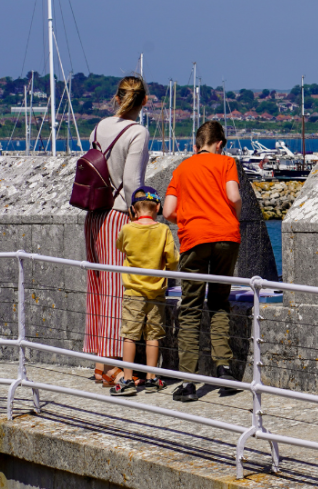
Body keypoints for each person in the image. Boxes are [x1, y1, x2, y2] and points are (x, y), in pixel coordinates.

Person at [163, 120, 243, 403]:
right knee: (220, 302)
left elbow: (169, 211)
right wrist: (235, 211)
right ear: (219, 144)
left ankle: (189, 381)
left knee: (191, 308)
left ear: (195, 146)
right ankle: (224, 369)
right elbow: (234, 195)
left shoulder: (182, 168)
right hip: (226, 237)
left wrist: (188, 218)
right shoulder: (226, 163)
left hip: (194, 239)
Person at [84, 76, 150, 387]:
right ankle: (112, 366)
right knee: (115, 290)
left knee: (96, 287)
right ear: (144, 102)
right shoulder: (137, 132)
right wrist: (142, 215)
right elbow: (133, 181)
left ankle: (99, 362)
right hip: (118, 216)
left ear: (116, 97)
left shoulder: (98, 127)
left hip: (93, 213)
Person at [110, 186, 178, 396]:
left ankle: (128, 379)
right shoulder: (163, 230)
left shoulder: (128, 229)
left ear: (133, 210)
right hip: (156, 292)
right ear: (157, 207)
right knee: (153, 335)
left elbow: (120, 247)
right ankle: (151, 377)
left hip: (133, 291)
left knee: (130, 335)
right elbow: (174, 259)